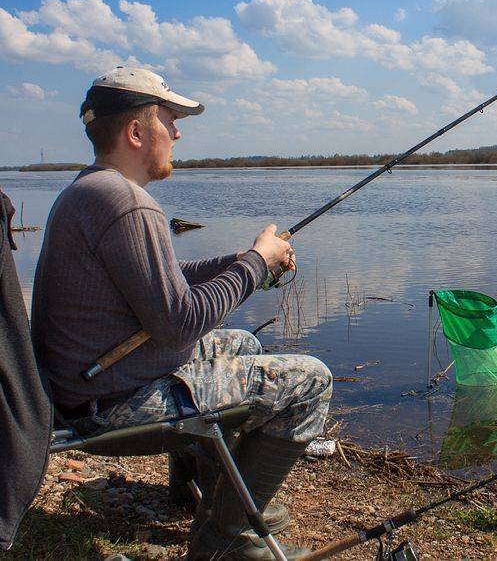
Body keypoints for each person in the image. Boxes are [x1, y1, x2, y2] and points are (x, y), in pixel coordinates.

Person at [31, 66, 331, 560]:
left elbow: (163, 276)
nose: (177, 132)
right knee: (310, 382)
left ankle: (204, 497)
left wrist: (239, 260)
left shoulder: (90, 190)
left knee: (243, 344)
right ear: (135, 132)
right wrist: (256, 265)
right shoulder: (129, 204)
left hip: (83, 386)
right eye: (169, 120)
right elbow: (178, 322)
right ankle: (227, 539)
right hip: (110, 405)